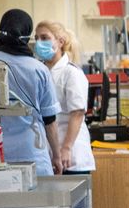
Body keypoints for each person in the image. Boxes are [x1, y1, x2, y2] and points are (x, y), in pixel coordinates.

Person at [0, 9, 61, 176]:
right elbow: (50, 120)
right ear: (27, 35)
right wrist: (57, 156)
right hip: (32, 153)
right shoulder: (38, 69)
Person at [33, 20, 96, 174]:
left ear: (60, 42)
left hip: (70, 153)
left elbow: (77, 113)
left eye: (45, 38)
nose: (39, 42)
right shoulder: (40, 71)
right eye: (37, 38)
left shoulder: (71, 73)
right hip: (48, 153)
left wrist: (66, 148)